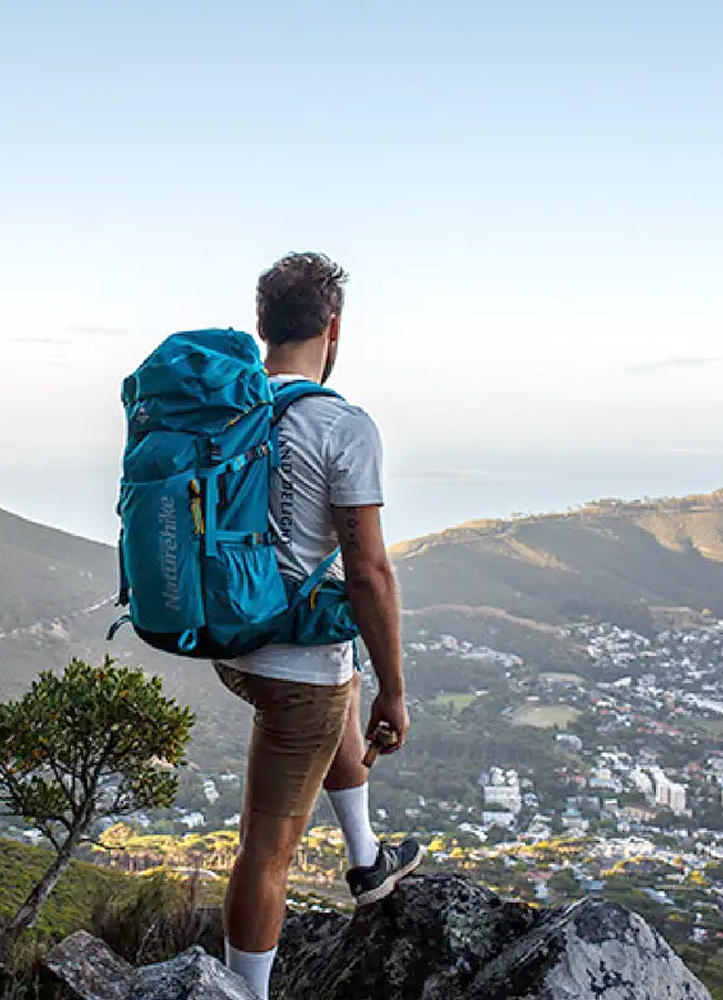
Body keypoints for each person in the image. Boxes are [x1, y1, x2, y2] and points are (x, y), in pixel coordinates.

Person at [214, 252, 422, 1000]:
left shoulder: (228, 409)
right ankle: (246, 993)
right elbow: (368, 572)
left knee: (340, 674)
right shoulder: (342, 424)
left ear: (263, 326)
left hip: (231, 642)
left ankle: (368, 861)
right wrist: (396, 692)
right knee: (266, 852)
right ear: (334, 330)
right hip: (291, 670)